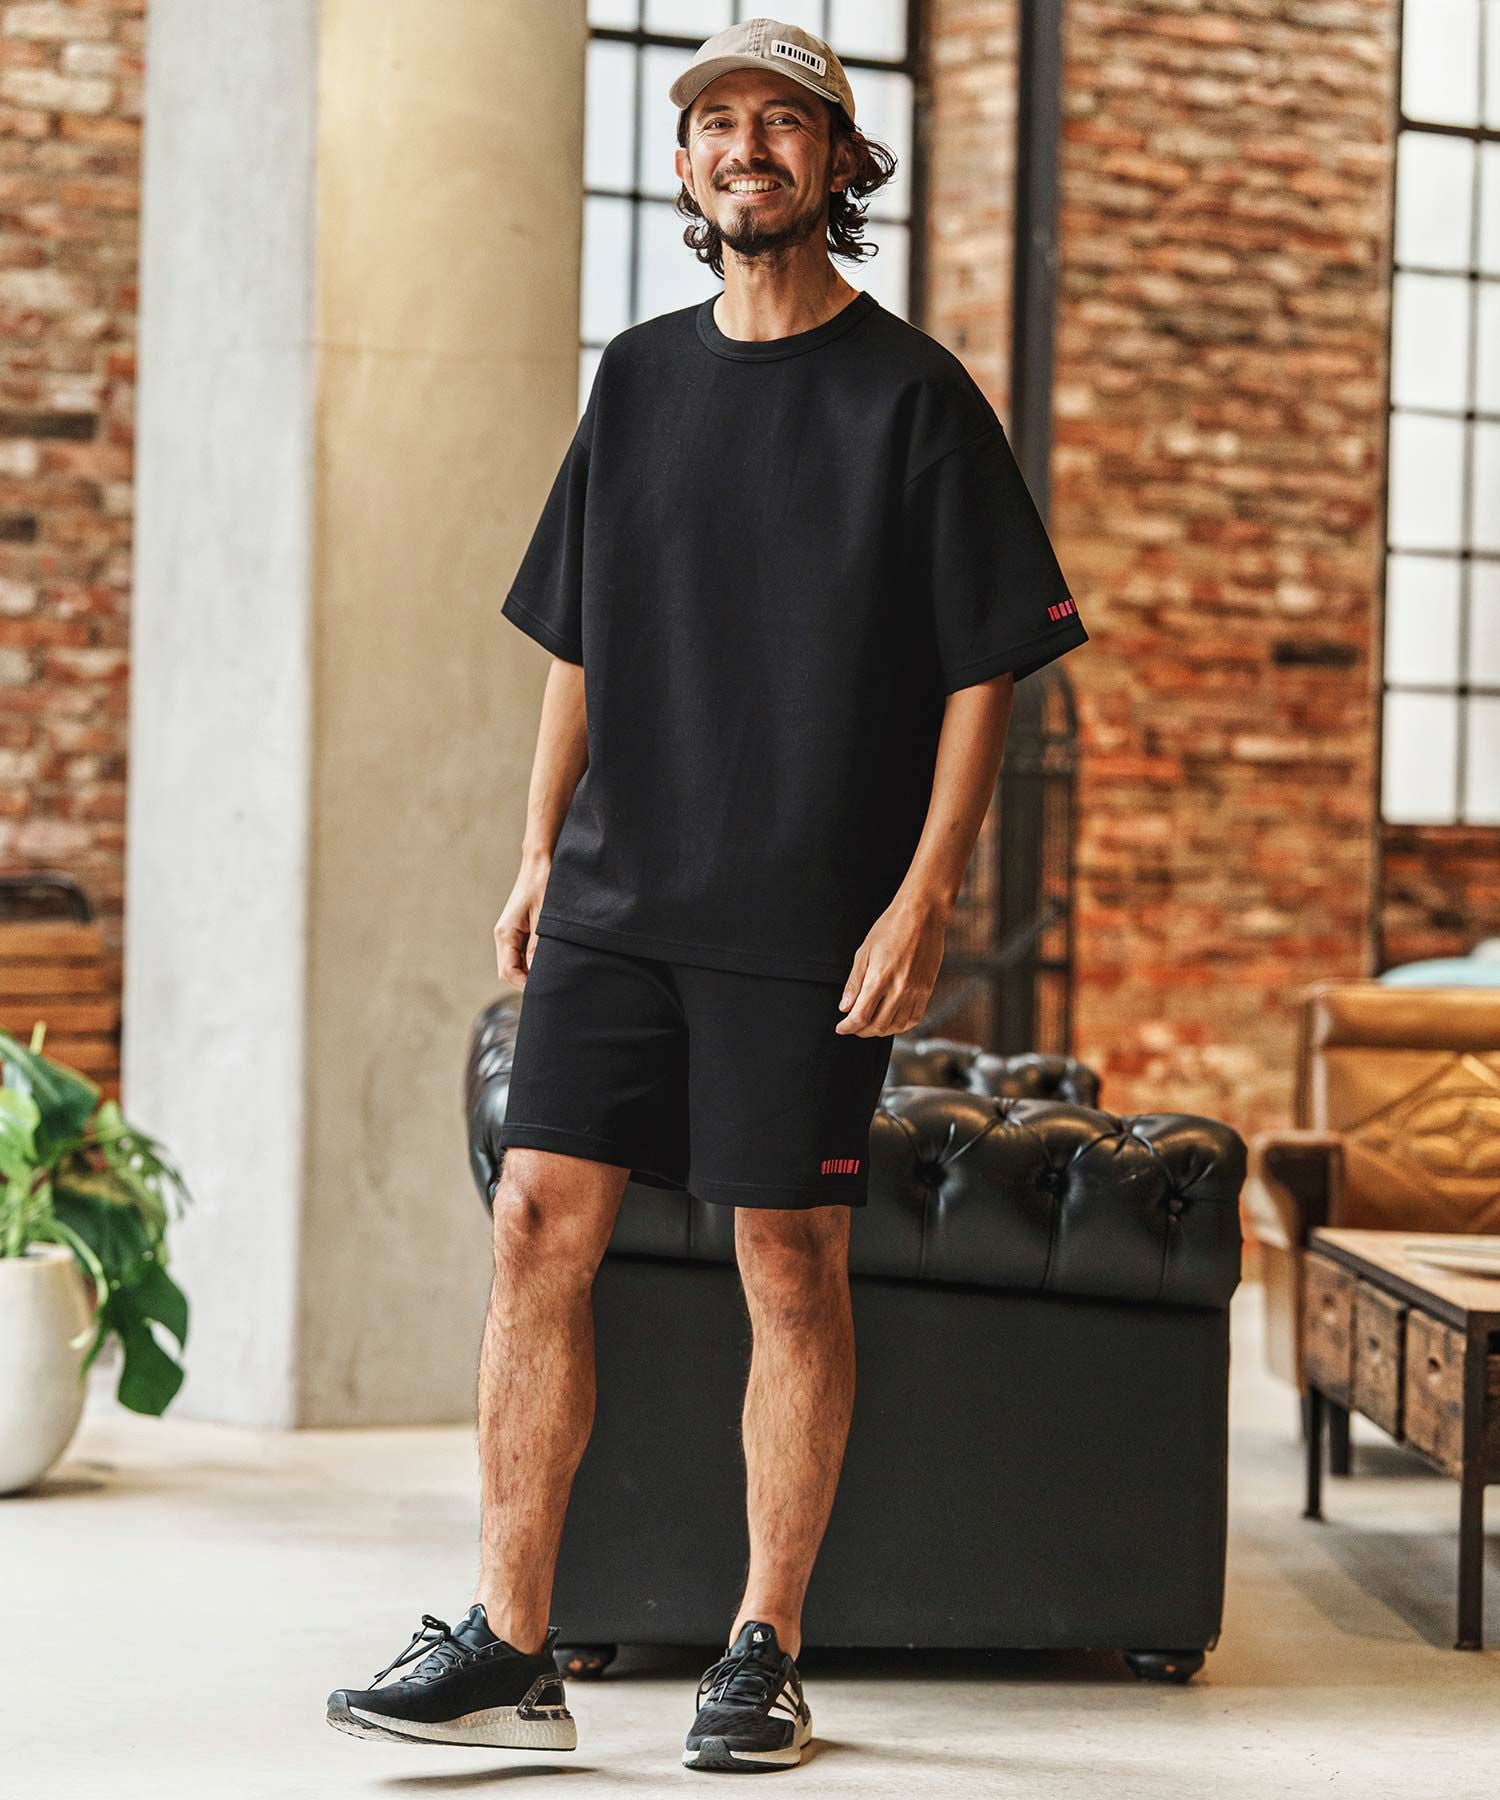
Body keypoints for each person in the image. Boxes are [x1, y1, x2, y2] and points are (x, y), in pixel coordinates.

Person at [326, 14, 1089, 1774]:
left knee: (788, 1257)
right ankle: (512, 1643)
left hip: (807, 911)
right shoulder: (639, 379)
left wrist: (924, 897)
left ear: (840, 161)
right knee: (538, 1224)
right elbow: (579, 641)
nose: (748, 147)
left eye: (783, 122)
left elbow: (986, 666)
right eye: (717, 122)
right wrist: (539, 850)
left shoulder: (916, 399)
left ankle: (764, 1651)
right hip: (619, 890)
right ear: (685, 166)